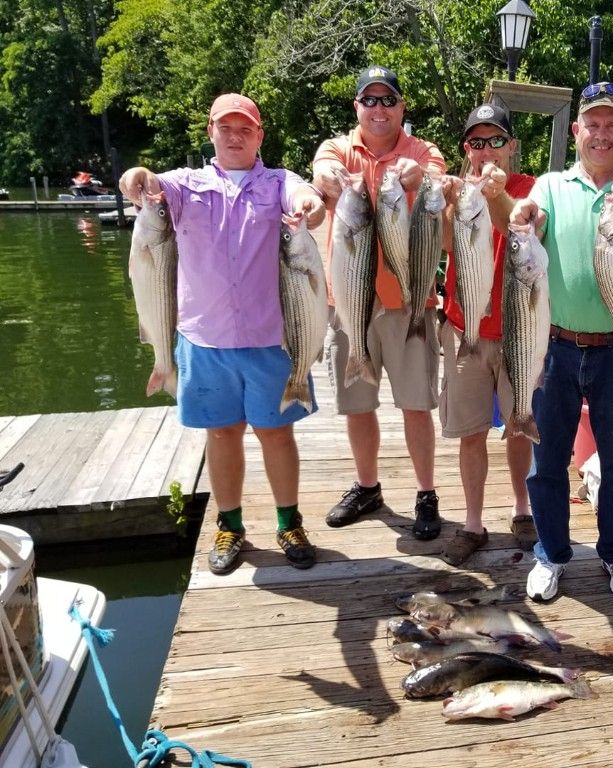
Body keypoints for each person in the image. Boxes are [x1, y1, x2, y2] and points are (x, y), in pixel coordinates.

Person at [119, 93, 326, 575]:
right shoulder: (183, 185)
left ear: (260, 136)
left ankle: (289, 521)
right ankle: (230, 524)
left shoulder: (277, 183)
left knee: (277, 434)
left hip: (271, 339)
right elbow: (142, 184)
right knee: (222, 433)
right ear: (210, 131)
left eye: (245, 129)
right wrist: (136, 180)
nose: (235, 137)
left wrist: (310, 208)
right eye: (226, 128)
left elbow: (305, 199)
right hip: (203, 341)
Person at [508, 82, 613, 602]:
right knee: (548, 463)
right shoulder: (549, 186)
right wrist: (523, 218)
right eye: (593, 123)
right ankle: (551, 551)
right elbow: (529, 219)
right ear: (576, 131)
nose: (602, 133)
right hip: (554, 347)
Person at [311, 66, 447, 540]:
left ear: (402, 107)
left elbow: (437, 178)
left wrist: (420, 176)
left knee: (416, 405)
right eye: (369, 100)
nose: (379, 109)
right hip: (349, 304)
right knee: (357, 403)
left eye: (388, 99)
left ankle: (426, 493)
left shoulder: (422, 152)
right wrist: (328, 177)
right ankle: (367, 487)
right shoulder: (337, 150)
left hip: (410, 306)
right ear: (357, 108)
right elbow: (322, 171)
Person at [436, 103, 537, 567]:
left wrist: (492, 194)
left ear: (512, 146)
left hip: (517, 330)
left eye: (496, 139)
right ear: (466, 150)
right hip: (463, 330)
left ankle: (522, 509)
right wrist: (439, 201)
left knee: (519, 426)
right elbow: (437, 243)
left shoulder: (529, 190)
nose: (486, 150)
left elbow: (518, 222)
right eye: (477, 142)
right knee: (471, 433)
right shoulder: (456, 193)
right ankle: (473, 523)